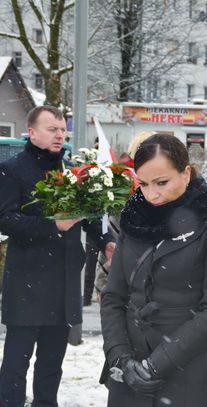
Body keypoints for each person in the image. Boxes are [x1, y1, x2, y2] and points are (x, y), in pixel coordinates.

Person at [100, 134, 207, 406]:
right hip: (130, 373)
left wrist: (156, 364)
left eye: (162, 182)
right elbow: (114, 297)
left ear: (186, 173)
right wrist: (120, 356)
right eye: (143, 184)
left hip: (191, 369)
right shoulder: (133, 219)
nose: (152, 194)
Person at [0, 105, 115, 406]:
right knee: (15, 365)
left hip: (63, 280)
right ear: (32, 132)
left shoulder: (71, 170)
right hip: (26, 282)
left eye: (63, 130)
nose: (60, 135)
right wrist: (53, 226)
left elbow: (89, 216)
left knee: (51, 365)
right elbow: (5, 219)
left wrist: (106, 241)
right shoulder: (13, 170)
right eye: (52, 129)